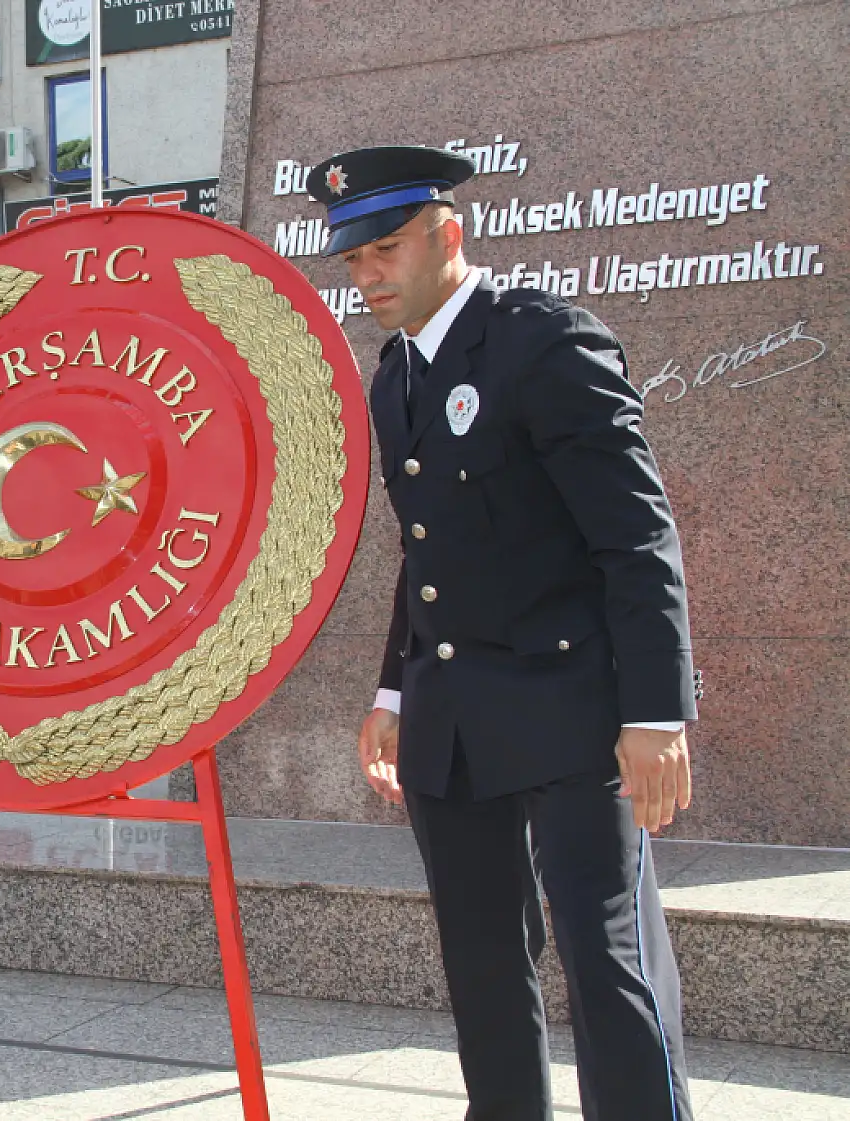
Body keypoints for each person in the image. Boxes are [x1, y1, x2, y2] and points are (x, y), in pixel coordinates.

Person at [315, 145, 699, 1121]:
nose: (367, 276)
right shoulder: (394, 374)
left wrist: (654, 713)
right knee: (482, 961)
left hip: (571, 708)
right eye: (353, 260)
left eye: (385, 250)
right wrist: (394, 690)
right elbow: (425, 548)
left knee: (602, 957)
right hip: (450, 718)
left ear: (448, 235)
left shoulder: (542, 341)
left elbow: (634, 535)